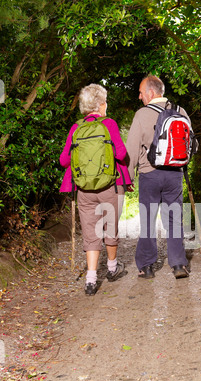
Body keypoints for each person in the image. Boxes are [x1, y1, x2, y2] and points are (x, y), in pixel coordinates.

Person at [60, 83, 132, 295]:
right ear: (100, 104)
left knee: (91, 231)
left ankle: (90, 280)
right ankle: (112, 268)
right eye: (105, 101)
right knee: (109, 227)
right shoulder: (108, 124)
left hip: (84, 189)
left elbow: (64, 160)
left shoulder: (76, 128)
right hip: (110, 185)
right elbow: (120, 154)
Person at [126, 75, 190, 279]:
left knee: (148, 220)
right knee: (175, 220)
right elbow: (189, 142)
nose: (139, 96)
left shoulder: (142, 114)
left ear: (151, 93)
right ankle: (179, 265)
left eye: (141, 92)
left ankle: (147, 266)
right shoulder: (180, 111)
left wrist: (128, 178)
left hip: (149, 174)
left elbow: (132, 149)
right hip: (174, 174)